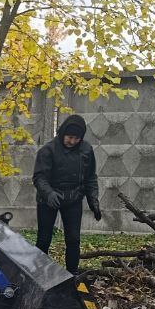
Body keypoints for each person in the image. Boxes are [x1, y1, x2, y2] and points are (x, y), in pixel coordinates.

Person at [33, 113, 101, 274]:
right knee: (44, 238)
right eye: (69, 137)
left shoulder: (86, 150)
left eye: (76, 139)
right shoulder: (48, 150)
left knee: (73, 239)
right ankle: (38, 274)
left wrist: (94, 201)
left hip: (73, 199)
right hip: (48, 200)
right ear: (63, 134)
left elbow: (90, 177)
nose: (72, 141)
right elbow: (39, 177)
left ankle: (72, 274)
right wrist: (48, 193)